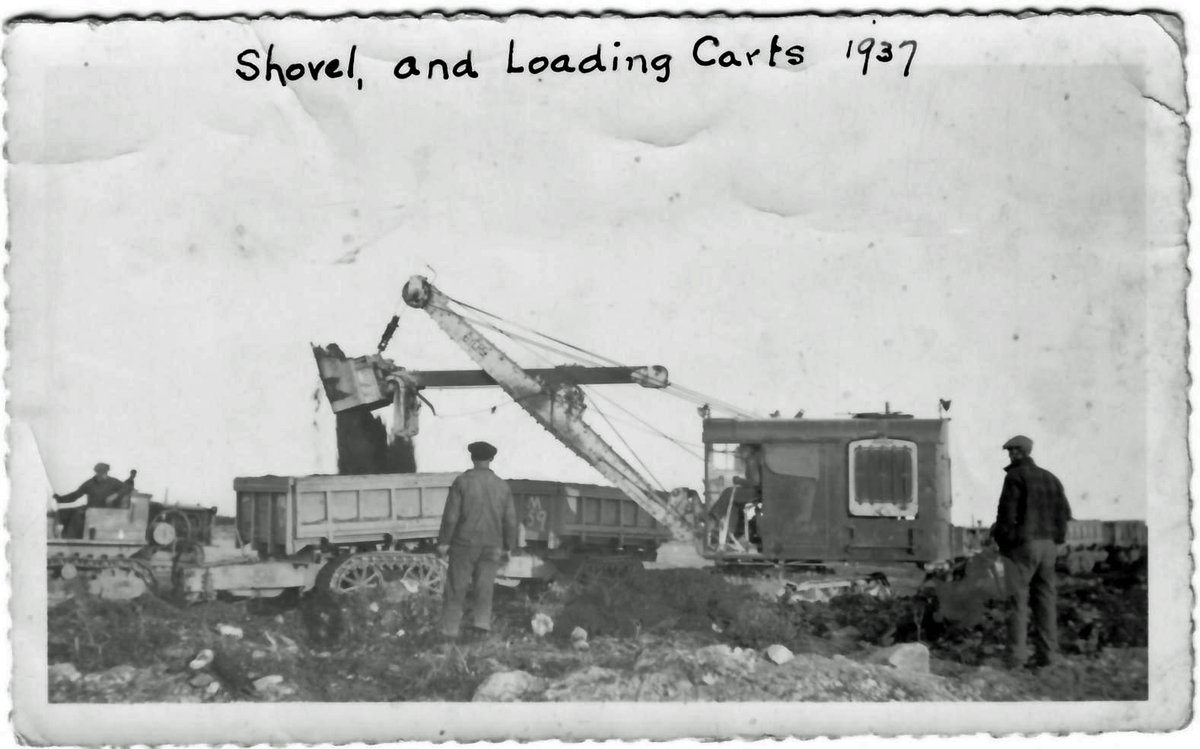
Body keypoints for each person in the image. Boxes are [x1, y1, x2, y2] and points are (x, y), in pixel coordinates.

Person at [991, 435, 1072, 669]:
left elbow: (1007, 515)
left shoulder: (1015, 477)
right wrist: (1056, 540)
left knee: (1017, 602)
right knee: (1046, 601)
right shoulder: (1051, 478)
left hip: (1024, 546)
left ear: (1018, 453)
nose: (1010, 455)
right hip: (1048, 547)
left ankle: (1016, 660)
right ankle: (1048, 658)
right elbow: (1063, 514)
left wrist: (1003, 539)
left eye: (1012, 451)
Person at [436, 441, 518, 642]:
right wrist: (509, 546)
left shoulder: (462, 482)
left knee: (456, 587)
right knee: (485, 586)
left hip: (464, 544)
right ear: (491, 459)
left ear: (472, 458)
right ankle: (481, 625)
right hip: (492, 545)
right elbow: (510, 520)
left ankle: (450, 630)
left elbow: (451, 517)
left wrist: (444, 541)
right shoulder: (502, 486)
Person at [53, 463, 137, 539]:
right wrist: (59, 499)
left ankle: (72, 540)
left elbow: (128, 488)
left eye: (104, 473)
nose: (101, 475)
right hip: (90, 509)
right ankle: (60, 537)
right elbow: (76, 495)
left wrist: (115, 495)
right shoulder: (90, 483)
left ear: (107, 472)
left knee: (77, 516)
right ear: (96, 472)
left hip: (105, 512)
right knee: (61, 513)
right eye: (99, 473)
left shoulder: (113, 482)